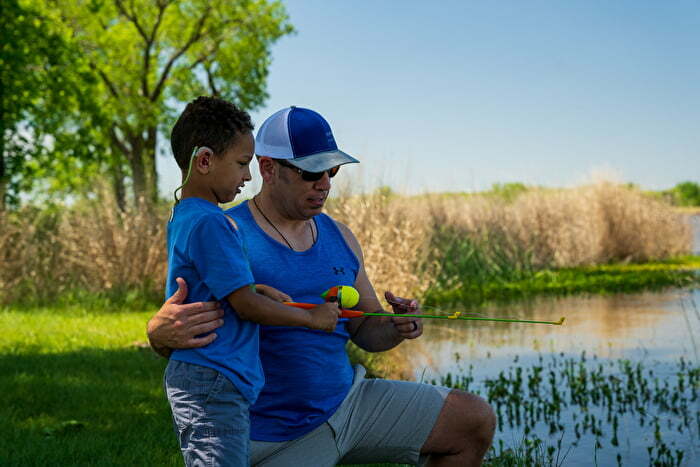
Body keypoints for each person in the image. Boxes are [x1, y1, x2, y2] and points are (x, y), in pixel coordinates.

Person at [149, 105, 496, 466]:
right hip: (272, 433)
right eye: (311, 172)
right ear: (268, 168)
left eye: (331, 170)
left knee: (472, 420)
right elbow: (181, 316)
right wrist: (157, 334)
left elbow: (365, 328)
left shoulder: (340, 236)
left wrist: (395, 326)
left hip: (350, 403)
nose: (325, 183)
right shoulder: (226, 231)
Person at [163, 98, 340, 466]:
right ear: (206, 161)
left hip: (211, 379)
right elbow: (245, 307)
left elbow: (211, 284)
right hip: (214, 381)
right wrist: (312, 319)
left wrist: (253, 288)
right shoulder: (213, 222)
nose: (247, 176)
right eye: (243, 164)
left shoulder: (186, 214)